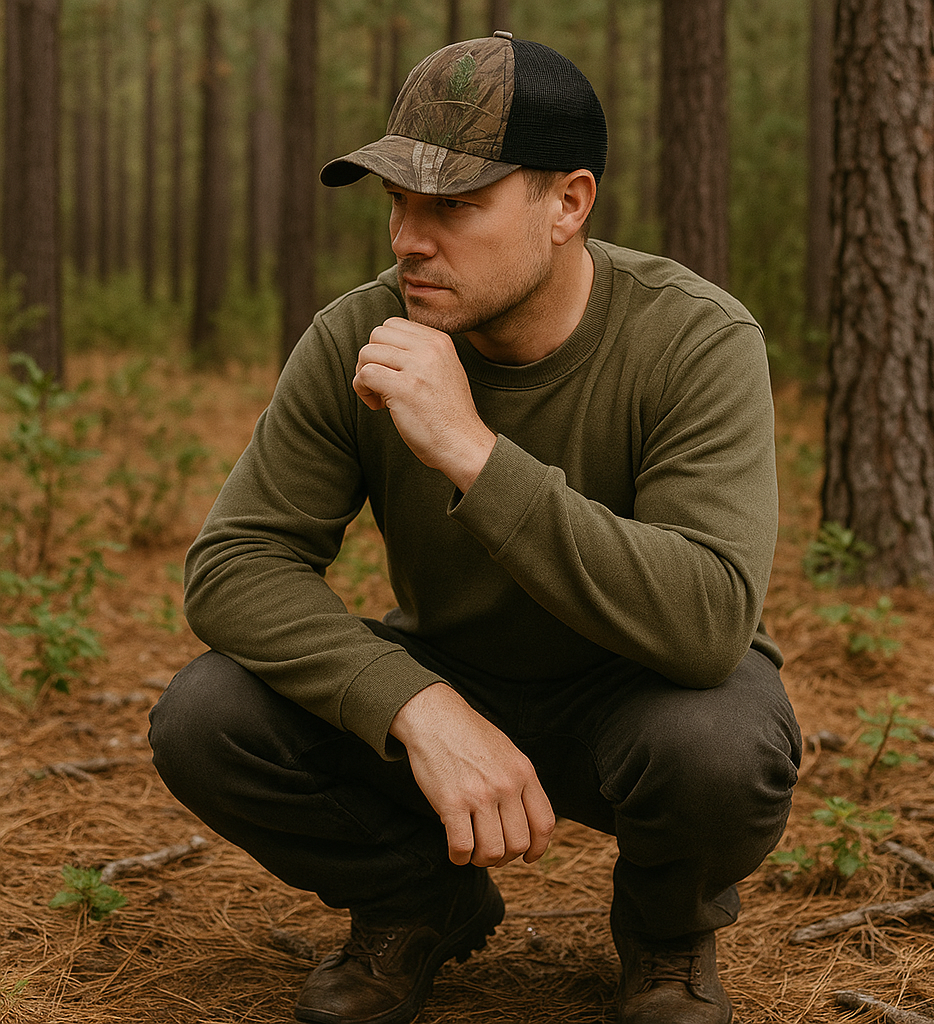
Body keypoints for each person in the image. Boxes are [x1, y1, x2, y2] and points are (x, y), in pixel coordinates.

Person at [149, 32, 801, 1024]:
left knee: (722, 740)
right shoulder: (355, 335)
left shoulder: (691, 337)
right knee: (207, 716)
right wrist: (415, 706)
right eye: (398, 201)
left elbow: (709, 616)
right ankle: (420, 901)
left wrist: (471, 451)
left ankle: (666, 930)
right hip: (452, 673)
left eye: (454, 205)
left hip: (639, 698)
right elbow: (237, 562)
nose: (410, 237)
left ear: (567, 204)